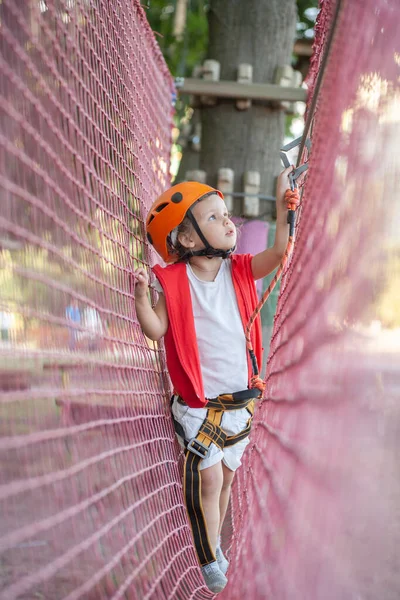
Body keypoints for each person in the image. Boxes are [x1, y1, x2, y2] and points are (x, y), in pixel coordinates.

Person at [134, 167, 296, 593]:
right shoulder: (172, 282)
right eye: (214, 217)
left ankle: (214, 545)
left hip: (237, 404)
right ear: (187, 239)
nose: (228, 222)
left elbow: (280, 251)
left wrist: (283, 206)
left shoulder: (239, 271)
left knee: (224, 479)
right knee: (206, 479)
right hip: (200, 405)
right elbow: (156, 329)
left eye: (227, 215)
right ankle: (206, 557)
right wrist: (139, 299)